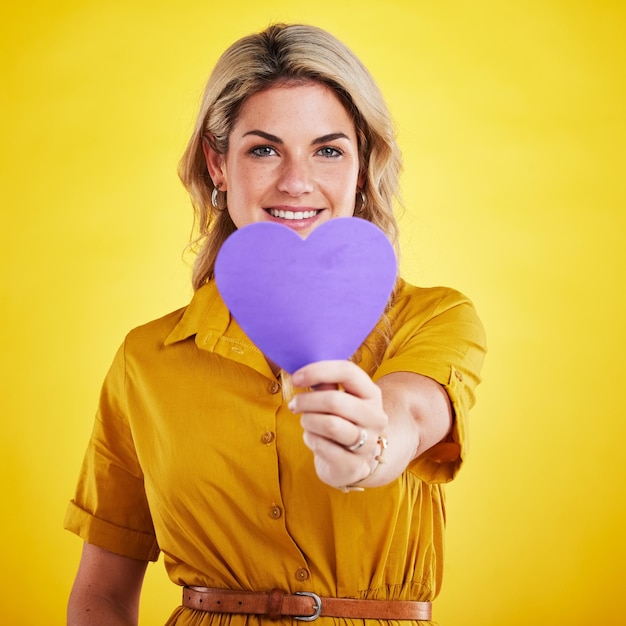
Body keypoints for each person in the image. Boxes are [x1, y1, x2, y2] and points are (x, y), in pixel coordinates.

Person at [65, 23, 486, 626]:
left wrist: (368, 450)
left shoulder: (434, 317)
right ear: (218, 163)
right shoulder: (145, 359)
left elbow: (412, 415)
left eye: (328, 150)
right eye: (264, 149)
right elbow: (101, 593)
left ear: (362, 166)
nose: (297, 181)